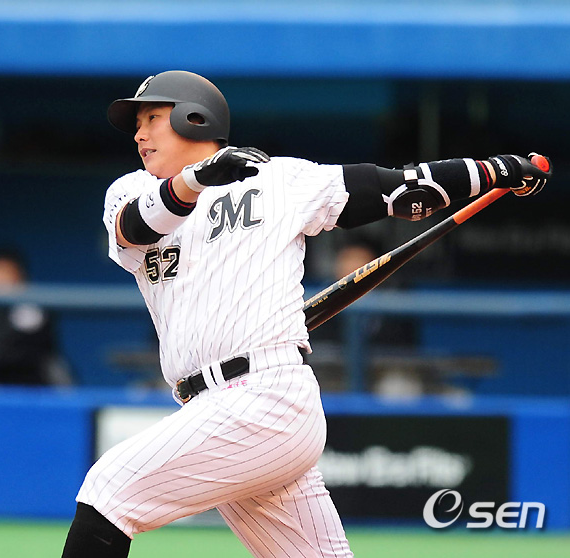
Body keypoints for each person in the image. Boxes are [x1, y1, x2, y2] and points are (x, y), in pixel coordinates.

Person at [61, 70, 551, 557]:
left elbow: (400, 188)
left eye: (152, 118)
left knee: (110, 491)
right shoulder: (130, 190)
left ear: (194, 118)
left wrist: (496, 169)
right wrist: (196, 179)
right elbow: (135, 227)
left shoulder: (278, 179)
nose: (139, 134)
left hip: (264, 396)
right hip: (210, 406)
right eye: (137, 124)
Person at [0, 248, 72, 386]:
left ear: (19, 275)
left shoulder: (31, 307)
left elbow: (13, 355)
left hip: (31, 387)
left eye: (5, 272)